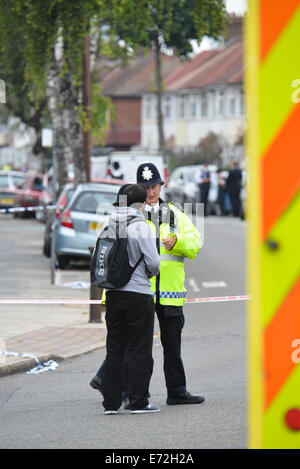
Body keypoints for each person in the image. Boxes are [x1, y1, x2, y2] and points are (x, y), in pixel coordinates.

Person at [136, 162, 205, 406]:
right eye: (145, 188)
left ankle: (176, 391)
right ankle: (135, 394)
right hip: (141, 291)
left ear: (160, 186)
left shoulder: (174, 212)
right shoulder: (131, 214)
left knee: (172, 346)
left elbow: (196, 242)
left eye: (154, 186)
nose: (151, 192)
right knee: (139, 346)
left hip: (169, 292)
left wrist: (177, 241)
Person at [100, 183, 161, 414]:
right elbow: (154, 263)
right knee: (139, 348)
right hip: (137, 295)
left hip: (113, 294)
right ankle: (138, 402)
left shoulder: (106, 223)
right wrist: (147, 273)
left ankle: (110, 403)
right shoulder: (141, 226)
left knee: (114, 349)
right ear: (142, 203)